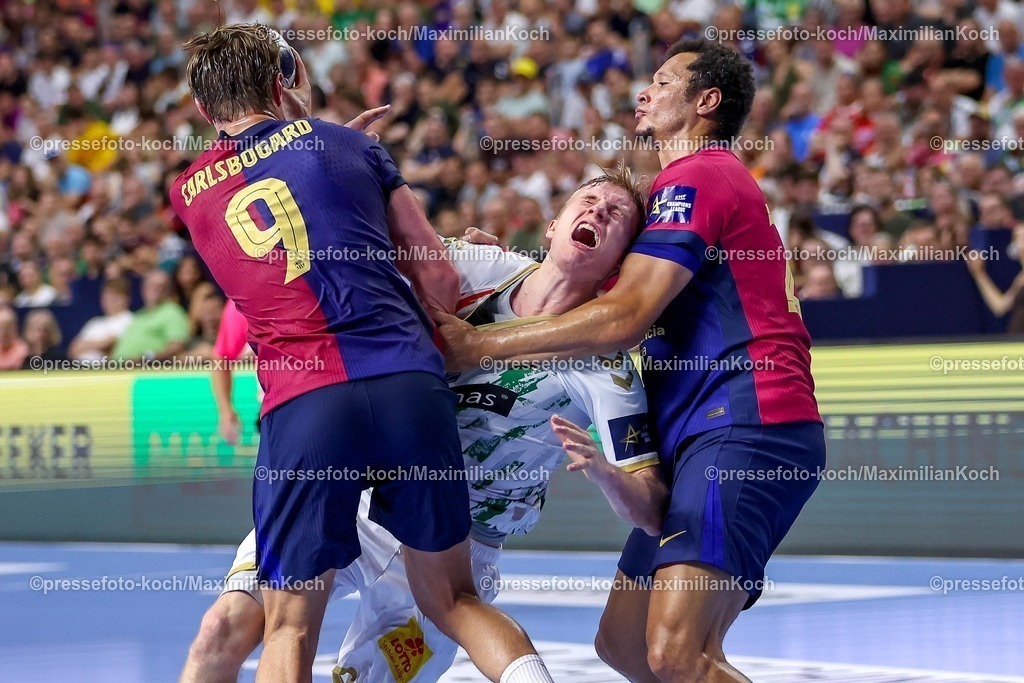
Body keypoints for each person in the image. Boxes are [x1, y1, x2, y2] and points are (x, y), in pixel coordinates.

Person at [434, 39, 825, 682]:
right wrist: (512, 269)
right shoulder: (683, 196)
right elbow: (597, 296)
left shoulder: (699, 173)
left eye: (663, 81)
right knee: (626, 646)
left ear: (706, 102)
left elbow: (621, 320)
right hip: (702, 435)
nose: (644, 92)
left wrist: (476, 344)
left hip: (744, 421)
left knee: (677, 655)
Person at [170, 24, 549, 683]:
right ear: (286, 79)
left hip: (306, 404)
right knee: (454, 600)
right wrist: (334, 145)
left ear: (205, 111)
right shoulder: (350, 146)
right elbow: (439, 280)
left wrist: (316, 144)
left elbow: (279, 201)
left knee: (289, 624)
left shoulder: (189, 191)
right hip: (408, 381)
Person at [182, 169, 668, 683]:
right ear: (552, 226)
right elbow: (349, 243)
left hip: (459, 544)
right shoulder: (475, 264)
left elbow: (653, 509)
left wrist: (608, 477)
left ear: (620, 263)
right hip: (362, 497)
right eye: (587, 199)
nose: (597, 211)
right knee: (219, 631)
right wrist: (327, 167)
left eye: (615, 214)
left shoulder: (605, 367)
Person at [110, 269, 190, 361]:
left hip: (145, 370)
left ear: (168, 290)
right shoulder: (138, 315)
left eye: (160, 286)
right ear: (143, 289)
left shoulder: (173, 312)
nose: (155, 289)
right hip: (114, 369)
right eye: (151, 285)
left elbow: (177, 346)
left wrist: (146, 359)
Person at [68, 278, 134, 362]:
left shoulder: (128, 319)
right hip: (78, 368)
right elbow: (72, 350)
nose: (109, 302)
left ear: (125, 299)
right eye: (106, 298)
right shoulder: (95, 322)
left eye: (114, 298)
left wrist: (86, 345)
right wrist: (98, 344)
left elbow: (109, 345)